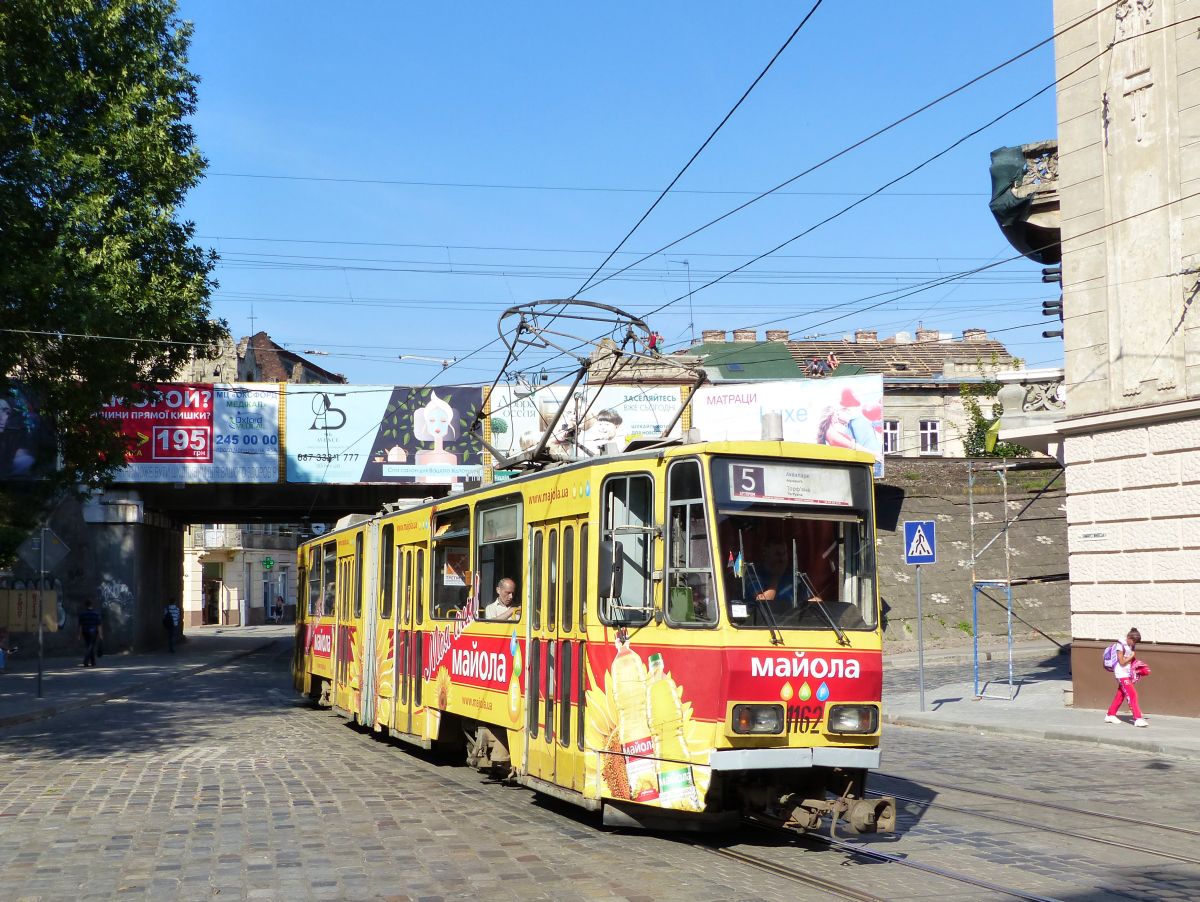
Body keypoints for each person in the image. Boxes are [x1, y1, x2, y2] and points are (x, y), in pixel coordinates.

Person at [1105, 627, 1148, 727]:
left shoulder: (1130, 646)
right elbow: (1122, 662)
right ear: (1129, 637)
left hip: (1126, 673)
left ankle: (1110, 714)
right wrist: (1131, 657)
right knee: (1132, 694)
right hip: (1121, 674)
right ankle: (1138, 718)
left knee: (1121, 694)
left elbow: (1129, 661)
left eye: (1136, 642)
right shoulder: (1120, 646)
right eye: (1133, 641)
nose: (1134, 644)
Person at [78, 600, 102, 667]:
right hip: (93, 632)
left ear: (85, 606)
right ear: (91, 605)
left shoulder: (82, 615)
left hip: (85, 632)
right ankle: (86, 661)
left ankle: (93, 662)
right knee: (91, 646)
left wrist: (79, 635)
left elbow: (80, 626)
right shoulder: (96, 614)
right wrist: (100, 635)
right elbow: (99, 625)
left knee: (89, 645)